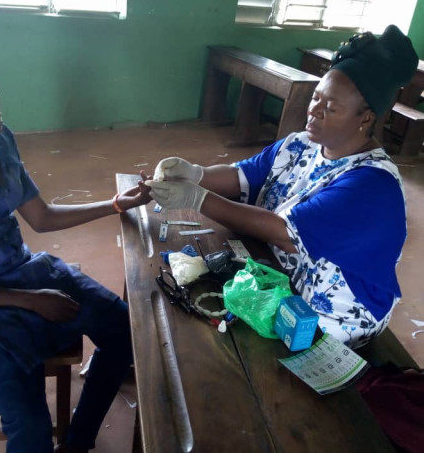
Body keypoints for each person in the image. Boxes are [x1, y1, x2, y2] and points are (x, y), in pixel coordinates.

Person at [0, 16, 151, 453]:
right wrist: (27, 299)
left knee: (126, 331)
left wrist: (116, 204)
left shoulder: (1, 140)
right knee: (28, 424)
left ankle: (78, 441)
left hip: (23, 272)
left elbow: (41, 217)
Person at [146, 25, 419, 349]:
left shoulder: (373, 185)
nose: (314, 110)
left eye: (330, 107)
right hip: (276, 267)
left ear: (365, 118)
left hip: (331, 311)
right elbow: (242, 174)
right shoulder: (301, 144)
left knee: (216, 348)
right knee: (178, 305)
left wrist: (196, 198)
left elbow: (284, 232)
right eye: (316, 96)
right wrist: (195, 173)